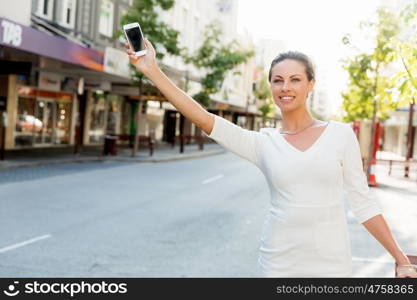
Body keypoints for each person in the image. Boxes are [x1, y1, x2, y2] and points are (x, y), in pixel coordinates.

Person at [125, 39, 417, 278]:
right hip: (278, 264)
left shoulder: (340, 135)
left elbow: (363, 203)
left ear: (311, 84)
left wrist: (401, 259)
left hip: (331, 264)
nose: (285, 87)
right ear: (271, 87)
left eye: (295, 80)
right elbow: (204, 118)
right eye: (278, 80)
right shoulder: (264, 143)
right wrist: (152, 70)